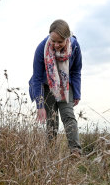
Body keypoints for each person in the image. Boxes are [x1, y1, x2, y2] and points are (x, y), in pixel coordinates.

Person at [29, 19, 82, 155]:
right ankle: (51, 153)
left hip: (66, 86)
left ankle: (75, 152)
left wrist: (76, 93)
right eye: (53, 41)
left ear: (67, 38)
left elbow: (76, 71)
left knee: (68, 116)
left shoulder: (75, 47)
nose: (56, 45)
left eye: (60, 42)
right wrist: (40, 105)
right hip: (47, 86)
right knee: (52, 120)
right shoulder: (42, 48)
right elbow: (36, 77)